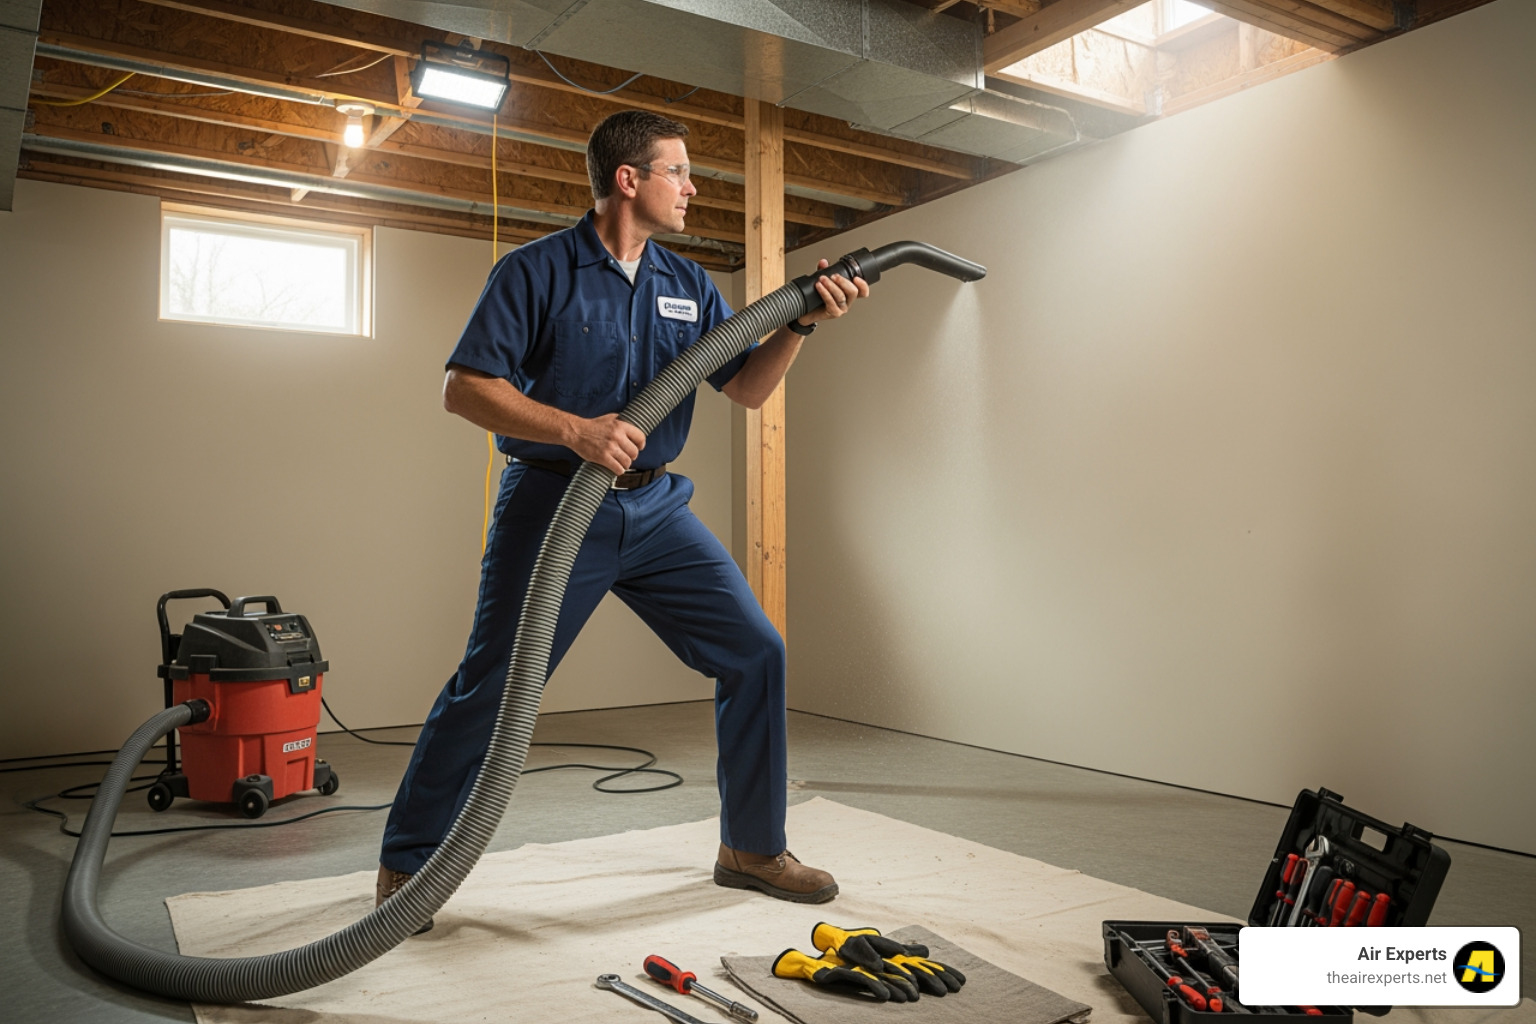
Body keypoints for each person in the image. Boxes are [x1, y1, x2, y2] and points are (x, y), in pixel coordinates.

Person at [377, 109, 868, 921]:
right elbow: (464, 388)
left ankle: (751, 845)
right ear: (629, 180)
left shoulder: (688, 284)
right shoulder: (535, 272)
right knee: (494, 685)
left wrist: (801, 324)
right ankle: (410, 868)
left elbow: (743, 387)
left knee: (756, 651)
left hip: (656, 509)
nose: (693, 187)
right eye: (679, 171)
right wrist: (574, 428)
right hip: (552, 505)